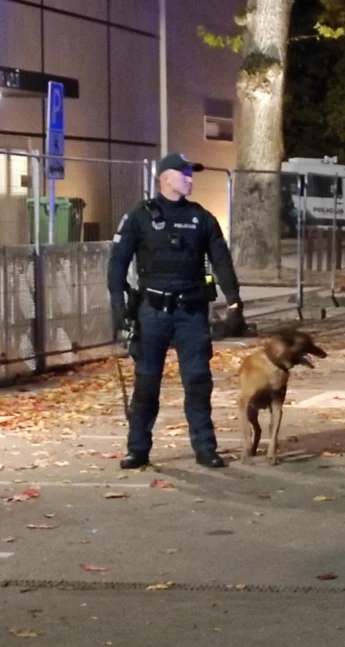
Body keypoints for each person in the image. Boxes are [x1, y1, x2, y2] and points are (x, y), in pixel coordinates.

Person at [107, 153, 245, 470]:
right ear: (165, 177)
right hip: (151, 311)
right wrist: (117, 302)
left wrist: (234, 301)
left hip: (191, 311)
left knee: (198, 380)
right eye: (184, 174)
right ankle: (138, 448)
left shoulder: (201, 218)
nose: (191, 179)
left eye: (191, 174)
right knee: (146, 384)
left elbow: (221, 260)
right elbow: (118, 261)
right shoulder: (140, 216)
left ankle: (205, 448)